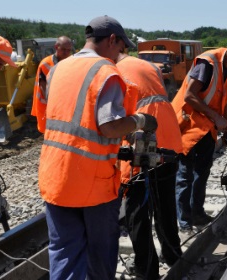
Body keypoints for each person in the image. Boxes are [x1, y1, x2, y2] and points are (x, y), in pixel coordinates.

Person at [38, 15, 157, 280]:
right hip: (93, 183)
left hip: (56, 176)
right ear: (111, 40)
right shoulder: (105, 71)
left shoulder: (58, 68)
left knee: (64, 251)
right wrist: (139, 120)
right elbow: (109, 126)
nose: (118, 56)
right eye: (119, 49)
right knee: (100, 253)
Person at [171, 38, 227, 236]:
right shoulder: (208, 63)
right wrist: (216, 117)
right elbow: (190, 95)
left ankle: (197, 213)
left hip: (208, 128)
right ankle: (184, 221)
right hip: (187, 125)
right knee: (185, 175)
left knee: (202, 172)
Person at [116, 53, 183, 279]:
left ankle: (147, 271)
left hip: (143, 141)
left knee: (137, 211)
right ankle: (173, 255)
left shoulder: (113, 70)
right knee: (165, 205)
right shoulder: (148, 66)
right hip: (168, 136)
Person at [31, 36, 73, 133]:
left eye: (68, 50)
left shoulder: (71, 62)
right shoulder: (46, 64)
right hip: (47, 106)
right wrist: (54, 105)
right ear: (56, 47)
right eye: (63, 49)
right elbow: (43, 87)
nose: (66, 53)